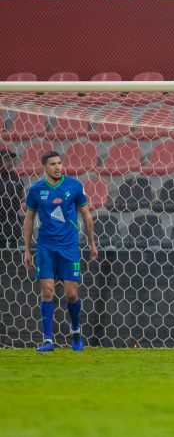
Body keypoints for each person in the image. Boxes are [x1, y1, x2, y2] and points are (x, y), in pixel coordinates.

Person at [22, 151, 98, 352]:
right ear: (44, 167)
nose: (58, 167)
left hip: (69, 247)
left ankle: (75, 333)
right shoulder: (36, 190)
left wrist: (91, 243)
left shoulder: (74, 185)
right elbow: (29, 219)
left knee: (72, 294)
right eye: (53, 164)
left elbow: (86, 215)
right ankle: (48, 340)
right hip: (46, 247)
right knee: (47, 292)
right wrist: (27, 250)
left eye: (59, 163)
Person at [0, 148, 24, 248]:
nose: (10, 161)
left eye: (10, 158)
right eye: (6, 159)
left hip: (11, 218)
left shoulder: (16, 178)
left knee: (15, 229)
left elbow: (15, 203)